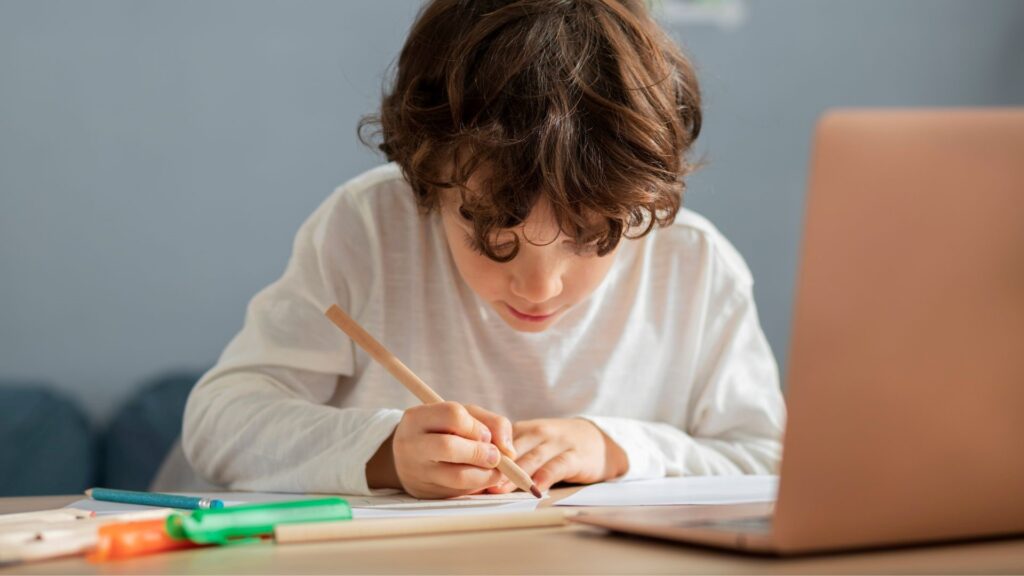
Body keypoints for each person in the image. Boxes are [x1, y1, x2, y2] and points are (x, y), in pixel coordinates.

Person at [182, 0, 785, 499]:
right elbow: (219, 422)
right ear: (425, 180)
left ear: (640, 200)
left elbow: (767, 458)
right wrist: (385, 452)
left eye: (590, 236)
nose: (540, 287)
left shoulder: (695, 267)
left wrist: (617, 449)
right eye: (495, 239)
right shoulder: (366, 230)